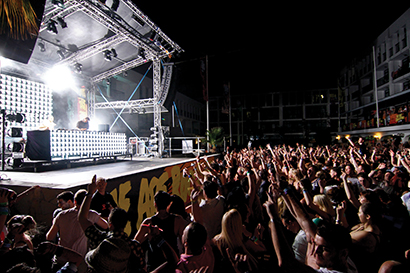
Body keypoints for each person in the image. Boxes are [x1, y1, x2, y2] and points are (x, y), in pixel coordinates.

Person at [79, 175, 146, 273]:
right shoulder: (134, 246)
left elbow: (82, 219)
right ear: (125, 224)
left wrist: (89, 193)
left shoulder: (100, 239)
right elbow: (143, 268)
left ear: (110, 224)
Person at [46, 189, 108, 271]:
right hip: (79, 263)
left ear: (74, 201)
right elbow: (106, 226)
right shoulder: (91, 215)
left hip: (61, 259)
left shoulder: (61, 215)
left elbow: (49, 237)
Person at [134, 190, 188, 271]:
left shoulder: (148, 223)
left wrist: (146, 237)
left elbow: (136, 242)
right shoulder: (178, 220)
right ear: (169, 204)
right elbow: (184, 243)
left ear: (155, 204)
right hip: (172, 262)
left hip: (154, 264)